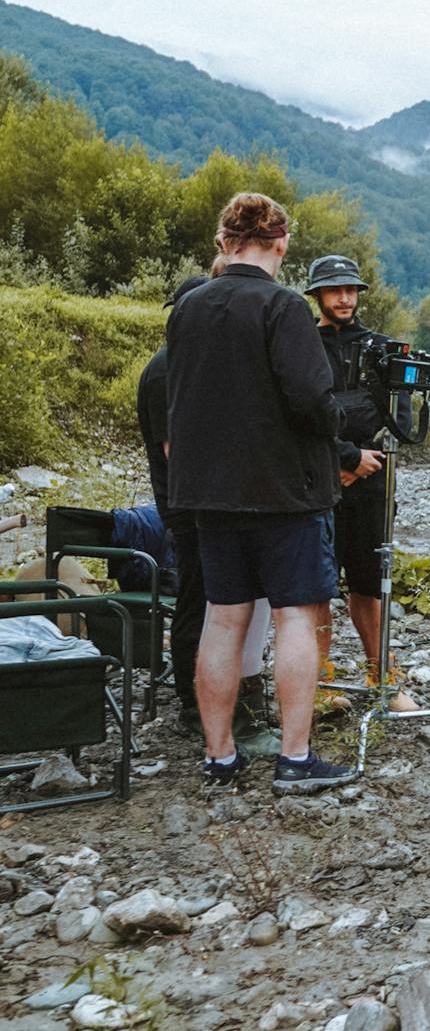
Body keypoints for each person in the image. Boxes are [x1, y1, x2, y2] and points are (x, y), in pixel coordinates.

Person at [166, 192, 357, 792]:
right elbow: (309, 401)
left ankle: (219, 757)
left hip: (210, 495)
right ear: (282, 243)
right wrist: (338, 426)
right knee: (294, 616)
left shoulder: (187, 310)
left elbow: (182, 398)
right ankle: (295, 758)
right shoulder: (283, 308)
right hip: (283, 493)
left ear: (223, 243)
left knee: (223, 620)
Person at [304, 254, 419, 713]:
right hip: (316, 481)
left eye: (350, 289)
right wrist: (344, 457)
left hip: (374, 482)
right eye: (335, 290)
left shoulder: (384, 349)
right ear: (318, 296)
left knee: (369, 585)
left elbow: (401, 417)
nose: (345, 297)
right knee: (316, 588)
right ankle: (321, 684)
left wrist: (360, 456)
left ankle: (383, 679)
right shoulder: (302, 347)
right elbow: (300, 415)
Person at [136, 274, 210, 727]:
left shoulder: (181, 363)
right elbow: (175, 449)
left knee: (204, 596)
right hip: (187, 504)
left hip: (192, 500)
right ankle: (189, 699)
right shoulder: (166, 370)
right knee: (195, 598)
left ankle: (204, 692)